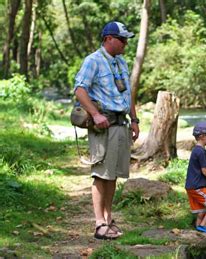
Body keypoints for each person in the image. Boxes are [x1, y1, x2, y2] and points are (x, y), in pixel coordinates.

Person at [74, 21, 140, 240]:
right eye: (122, 39)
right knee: (100, 174)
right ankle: (99, 223)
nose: (125, 44)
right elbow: (80, 89)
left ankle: (109, 218)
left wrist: (135, 119)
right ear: (108, 39)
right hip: (103, 126)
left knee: (113, 175)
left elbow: (128, 94)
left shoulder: (121, 62)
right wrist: (95, 114)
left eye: (126, 40)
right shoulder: (92, 61)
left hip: (121, 124)